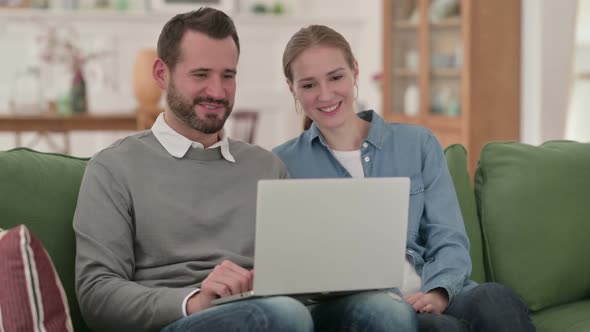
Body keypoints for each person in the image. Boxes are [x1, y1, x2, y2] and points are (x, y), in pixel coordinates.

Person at [74, 8, 416, 332]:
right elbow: (96, 293)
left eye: (228, 75)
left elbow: (298, 276)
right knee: (284, 314)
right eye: (201, 75)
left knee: (385, 309)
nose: (217, 91)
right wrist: (194, 300)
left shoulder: (265, 166)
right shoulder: (114, 167)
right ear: (162, 74)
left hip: (277, 310)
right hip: (182, 319)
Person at [272, 24, 536, 332]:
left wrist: (438, 293)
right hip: (367, 309)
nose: (326, 94)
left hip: (437, 290)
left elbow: (448, 235)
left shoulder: (418, 143)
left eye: (336, 77)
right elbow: (290, 267)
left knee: (496, 299)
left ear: (355, 71)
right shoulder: (282, 164)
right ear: (292, 88)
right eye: (308, 85)